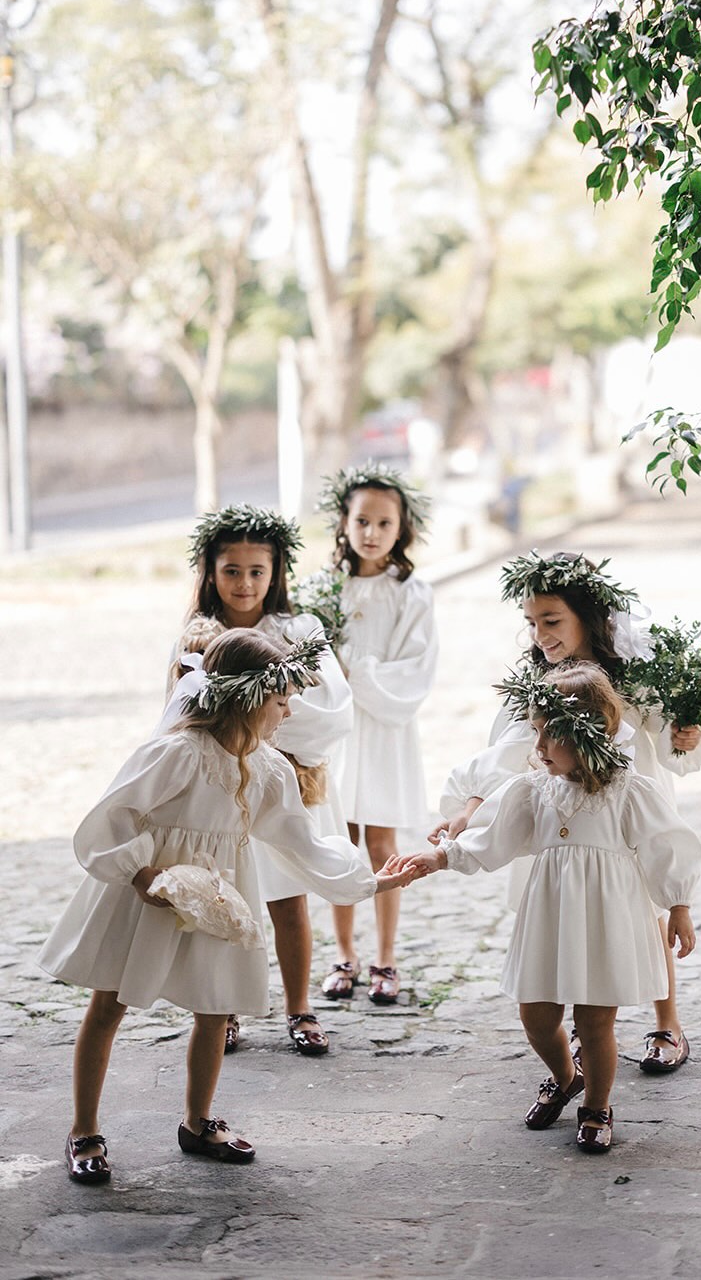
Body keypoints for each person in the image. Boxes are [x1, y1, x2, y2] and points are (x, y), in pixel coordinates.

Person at [38, 627, 416, 1185]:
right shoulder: (176, 753)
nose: (288, 714)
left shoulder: (267, 768)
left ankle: (198, 1120)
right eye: (281, 701)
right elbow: (113, 815)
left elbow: (299, 840)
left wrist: (368, 882)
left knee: (215, 1008)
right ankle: (84, 1128)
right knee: (110, 1003)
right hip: (150, 889)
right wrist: (141, 871)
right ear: (247, 697)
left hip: (217, 895)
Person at [434, 549, 701, 1074]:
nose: (540, 634)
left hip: (628, 801)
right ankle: (590, 1032)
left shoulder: (635, 671)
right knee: (568, 913)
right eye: (532, 623)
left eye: (551, 620)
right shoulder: (539, 682)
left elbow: (672, 734)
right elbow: (511, 749)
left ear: (586, 614)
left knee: (646, 906)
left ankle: (667, 1021)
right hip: (559, 811)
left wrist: (687, 736)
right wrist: (473, 802)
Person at [398, 662, 701, 1153]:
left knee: (595, 1021)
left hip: (606, 915)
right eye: (536, 733)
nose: (537, 749)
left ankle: (597, 1105)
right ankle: (565, 1075)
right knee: (535, 1013)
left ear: (589, 734)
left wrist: (679, 903)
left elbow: (666, 844)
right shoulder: (532, 789)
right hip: (551, 913)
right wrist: (440, 856)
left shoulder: (628, 789)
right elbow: (492, 837)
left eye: (548, 736)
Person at [168, 503, 354, 1056]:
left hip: (286, 781)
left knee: (288, 897)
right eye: (232, 571)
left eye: (257, 571)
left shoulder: (300, 631)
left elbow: (332, 710)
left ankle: (299, 1007)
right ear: (210, 572)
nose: (244, 583)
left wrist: (259, 735)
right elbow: (182, 712)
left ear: (276, 573)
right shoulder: (198, 639)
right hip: (218, 790)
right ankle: (220, 1008)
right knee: (225, 897)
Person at [316, 462, 438, 1007]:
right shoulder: (327, 590)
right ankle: (345, 953)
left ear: (401, 528)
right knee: (338, 843)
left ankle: (386, 956)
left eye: (383, 523)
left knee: (382, 843)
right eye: (361, 520)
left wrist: (357, 671)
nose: (371, 532)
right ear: (344, 523)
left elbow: (416, 667)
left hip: (385, 730)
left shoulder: (412, 593)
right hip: (339, 731)